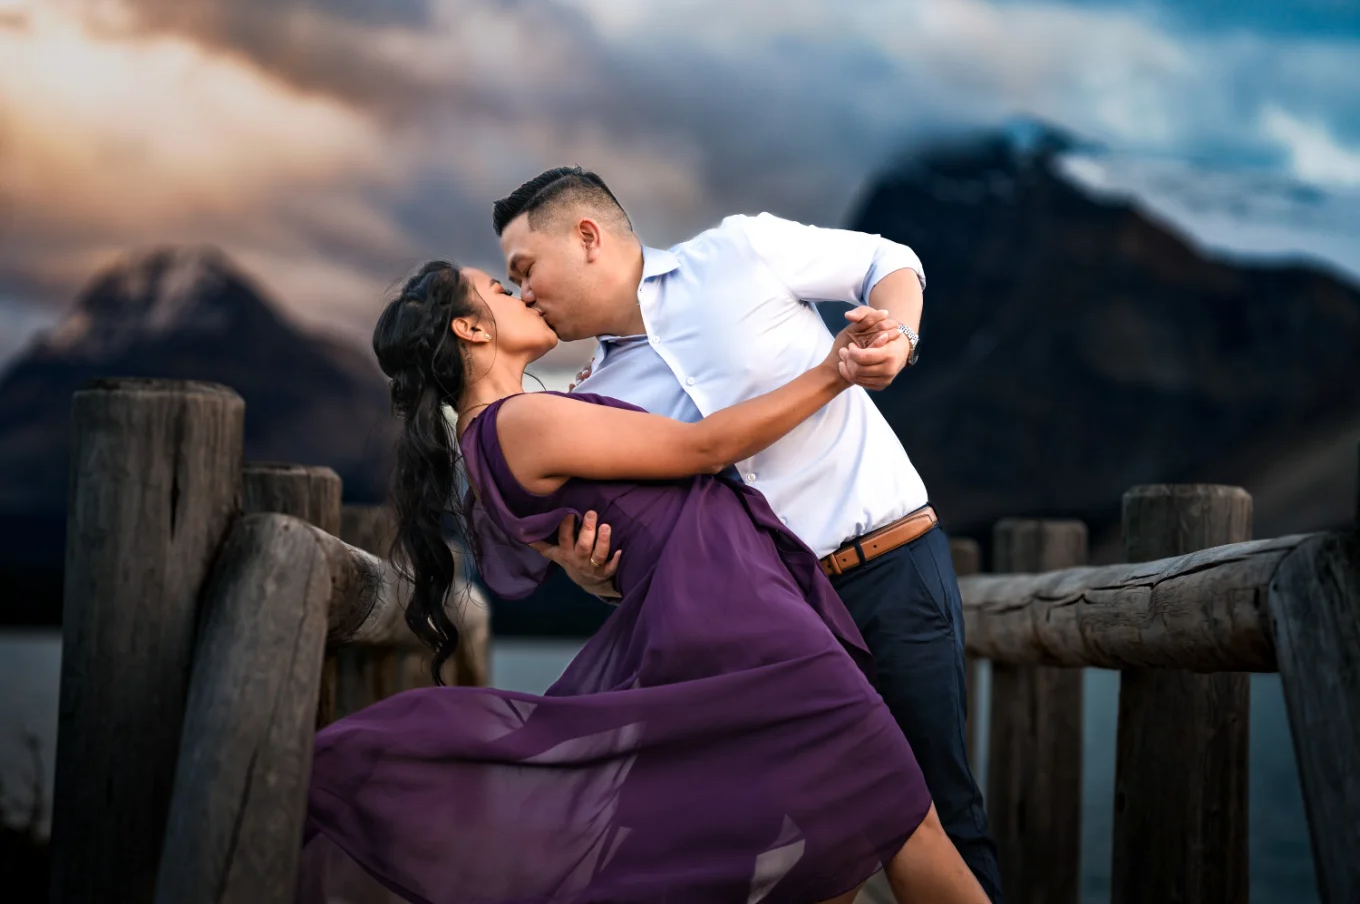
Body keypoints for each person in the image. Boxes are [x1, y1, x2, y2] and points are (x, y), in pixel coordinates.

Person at [298, 261, 988, 904]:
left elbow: (608, 542)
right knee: (904, 815)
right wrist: (836, 371)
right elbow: (705, 447)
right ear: (471, 329)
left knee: (832, 842)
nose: (523, 295)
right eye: (501, 292)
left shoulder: (492, 443)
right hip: (746, 619)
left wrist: (587, 568)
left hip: (718, 617)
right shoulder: (521, 421)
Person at [494, 167, 1003, 902]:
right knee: (797, 851)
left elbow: (887, 260)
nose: (525, 294)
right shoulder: (592, 402)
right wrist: (591, 573)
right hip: (765, 634)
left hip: (887, 569)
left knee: (940, 816)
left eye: (525, 269)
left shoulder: (739, 250)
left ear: (586, 236)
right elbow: (649, 544)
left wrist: (898, 335)